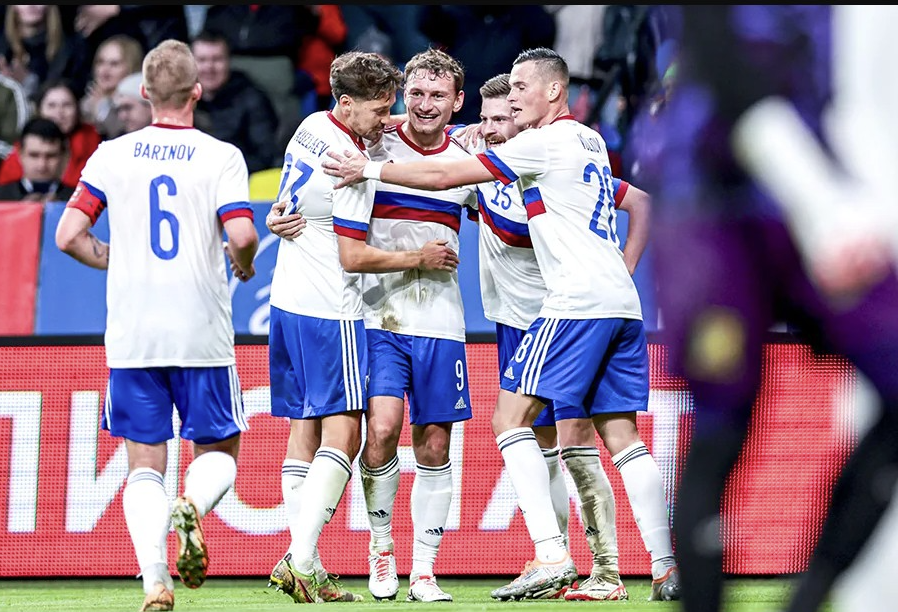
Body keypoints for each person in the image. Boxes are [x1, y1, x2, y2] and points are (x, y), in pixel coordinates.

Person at [322, 46, 679, 602]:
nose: (511, 101)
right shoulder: (587, 141)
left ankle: (551, 554)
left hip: (568, 307)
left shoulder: (536, 145)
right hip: (618, 304)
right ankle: (663, 566)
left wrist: (365, 166)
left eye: (518, 89)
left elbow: (443, 172)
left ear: (553, 90)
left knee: (510, 421)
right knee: (621, 436)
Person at [628, 6, 898, 612]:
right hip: (711, 208)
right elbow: (729, 69)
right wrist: (825, 207)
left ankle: (810, 596)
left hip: (814, 194)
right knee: (723, 421)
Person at [54, 39, 259, 612]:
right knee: (218, 449)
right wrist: (242, 262)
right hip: (200, 329)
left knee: (144, 463)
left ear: (144, 92)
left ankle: (154, 582)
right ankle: (191, 503)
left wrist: (115, 258)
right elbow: (242, 234)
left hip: (133, 333)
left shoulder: (111, 155)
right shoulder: (220, 156)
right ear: (197, 91)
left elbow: (67, 235)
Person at [460, 72, 676, 602]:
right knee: (576, 441)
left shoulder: (540, 157)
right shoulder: (537, 153)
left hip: (560, 317)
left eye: (503, 116)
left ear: (526, 115)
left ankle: (571, 560)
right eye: (484, 119)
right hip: (529, 319)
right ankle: (618, 567)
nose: (490, 128)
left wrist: (623, 265)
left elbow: (639, 202)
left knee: (552, 433)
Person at [262, 50, 460, 606]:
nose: (385, 120)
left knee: (304, 428)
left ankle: (308, 561)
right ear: (347, 104)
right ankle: (301, 559)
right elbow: (352, 257)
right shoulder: (350, 163)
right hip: (333, 308)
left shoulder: (310, 126)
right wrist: (419, 257)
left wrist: (276, 216)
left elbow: (288, 201)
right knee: (346, 435)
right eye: (379, 109)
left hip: (286, 301)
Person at [190, 30, 280, 174]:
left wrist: (221, 169)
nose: (209, 67)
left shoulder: (252, 98)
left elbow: (266, 156)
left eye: (217, 59)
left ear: (229, 61)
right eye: (202, 60)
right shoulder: (181, 98)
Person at [0, 79, 103, 190]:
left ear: (77, 109)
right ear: (39, 110)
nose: (59, 112)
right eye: (51, 105)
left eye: (67, 105)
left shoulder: (95, 144)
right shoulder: (26, 145)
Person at [80, 34, 144, 139]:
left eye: (114, 64)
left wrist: (101, 107)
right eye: (100, 62)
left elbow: (122, 133)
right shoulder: (86, 103)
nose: (105, 70)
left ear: (131, 66)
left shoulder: (139, 100)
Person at [0, 117, 73, 202]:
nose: (42, 165)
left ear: (64, 158)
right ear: (20, 155)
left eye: (51, 156)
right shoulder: (2, 197)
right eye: (34, 155)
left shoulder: (81, 201)